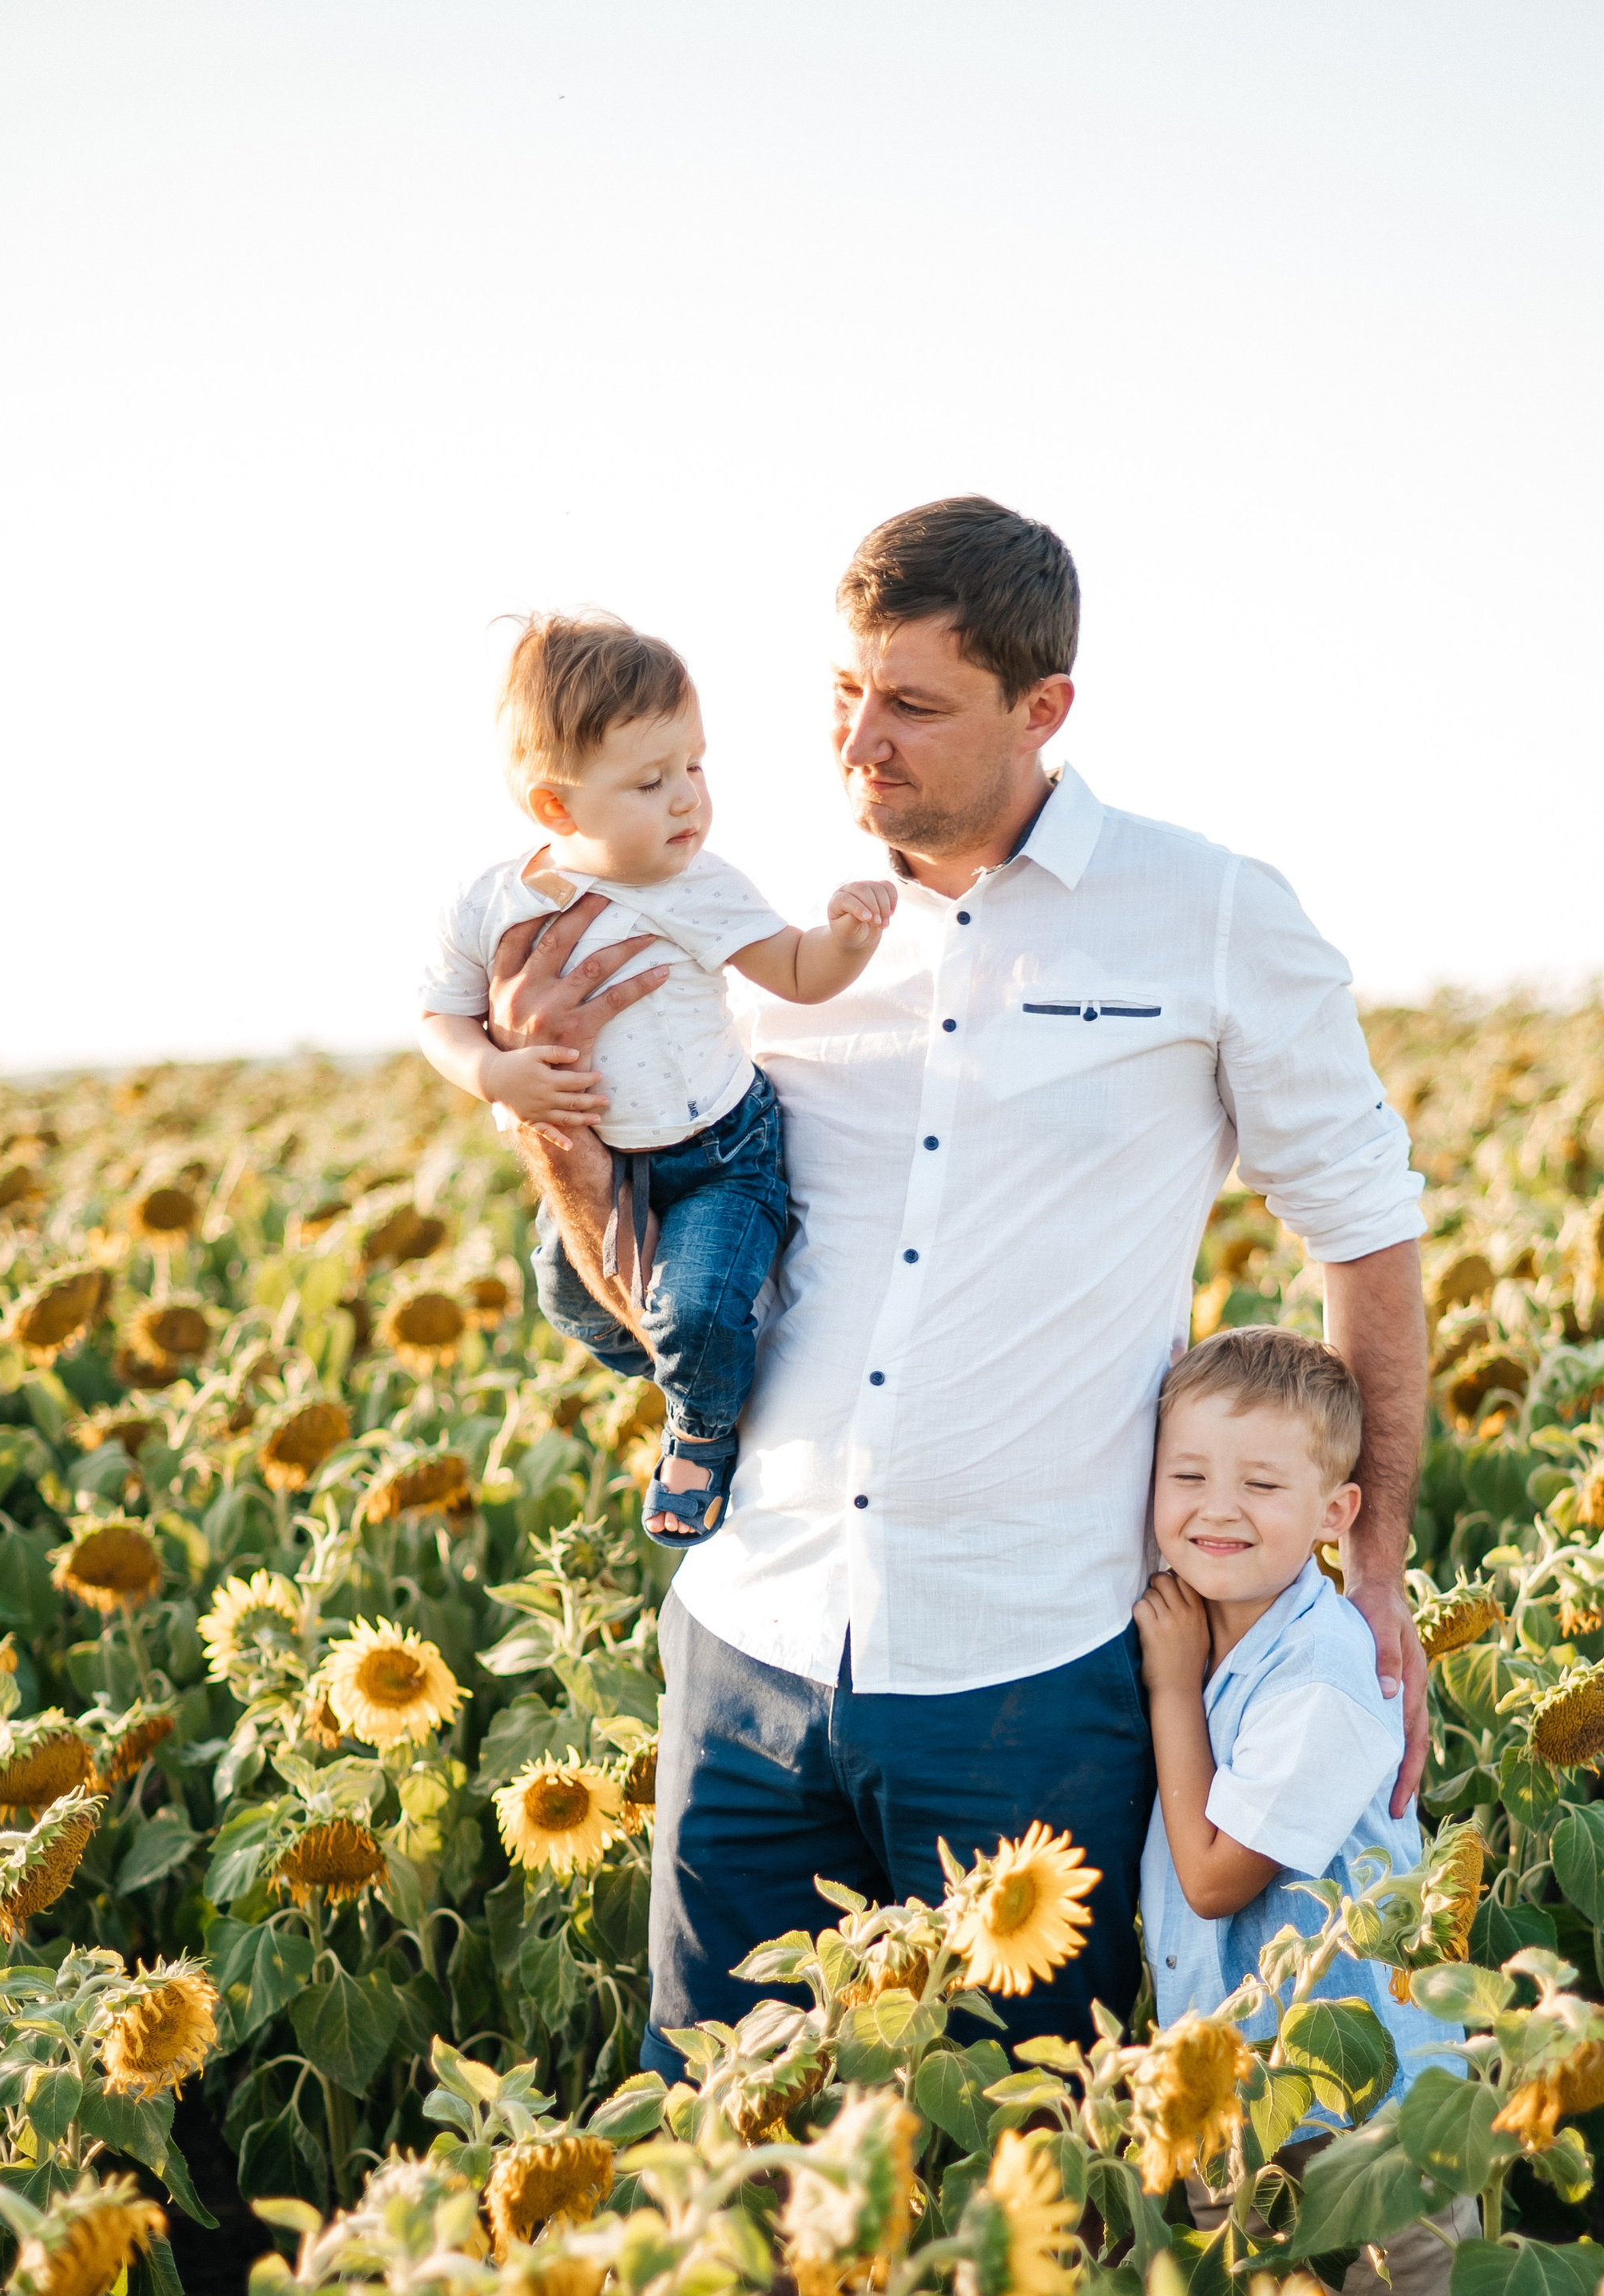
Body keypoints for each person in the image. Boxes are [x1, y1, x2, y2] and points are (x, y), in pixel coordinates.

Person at [483, 498, 1432, 2074]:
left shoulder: (1205, 914)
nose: (861, 744)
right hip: (749, 1640)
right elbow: (656, 1309)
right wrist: (564, 1163)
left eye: (913, 706)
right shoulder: (765, 950)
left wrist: (1376, 1562)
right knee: (728, 2152)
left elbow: (1365, 1235)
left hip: (1030, 1668)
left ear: (1041, 709)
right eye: (842, 698)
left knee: (1015, 2166)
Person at [1134, 1330, 1499, 2296]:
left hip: (1377, 2129)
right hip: (1256, 2110)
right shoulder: (1227, 1620)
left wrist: (1166, 1687)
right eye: (1188, 1476)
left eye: (1263, 1484)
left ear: (1339, 1515)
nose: (1216, 1508)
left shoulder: (1326, 1678)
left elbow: (1219, 1875)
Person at [417, 610, 897, 1543]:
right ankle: (701, 1371)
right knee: (567, 1295)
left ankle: (704, 1430)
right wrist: (495, 1075)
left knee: (700, 1307)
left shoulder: (700, 885)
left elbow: (795, 973)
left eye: (695, 767)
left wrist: (844, 937)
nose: (688, 800)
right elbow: (441, 1017)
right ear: (559, 809)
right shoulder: (488, 901)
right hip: (618, 1168)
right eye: (650, 781)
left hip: (722, 1151)